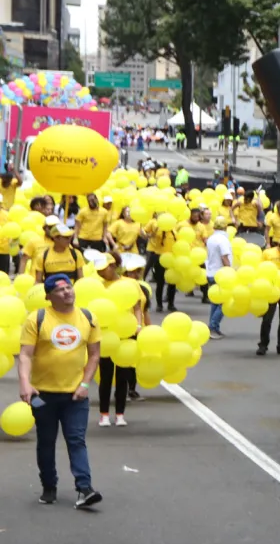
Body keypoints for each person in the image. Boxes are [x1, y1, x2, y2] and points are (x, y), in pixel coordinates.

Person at [19, 272, 102, 508]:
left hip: (75, 394)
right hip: (43, 394)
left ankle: (85, 488)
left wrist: (85, 384)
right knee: (46, 441)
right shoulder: (38, 319)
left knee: (76, 440)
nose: (67, 292)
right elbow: (25, 355)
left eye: (69, 288)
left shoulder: (87, 317)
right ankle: (49, 486)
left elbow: (95, 354)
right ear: (49, 296)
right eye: (60, 290)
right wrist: (25, 382)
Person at [95, 252, 148, 426]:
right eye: (99, 270)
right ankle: (104, 414)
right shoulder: (98, 286)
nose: (101, 273)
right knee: (106, 376)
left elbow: (137, 307)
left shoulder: (130, 284)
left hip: (126, 333)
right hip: (107, 335)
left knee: (123, 376)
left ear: (112, 266)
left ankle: (119, 414)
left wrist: (139, 326)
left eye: (104, 269)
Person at [204, 217, 234, 338]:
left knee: (215, 302)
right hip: (221, 275)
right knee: (224, 302)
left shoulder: (211, 238)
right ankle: (213, 326)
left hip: (210, 272)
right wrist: (230, 271)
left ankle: (214, 327)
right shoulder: (223, 240)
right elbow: (224, 257)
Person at [144, 212, 179, 312]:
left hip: (172, 258)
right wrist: (154, 230)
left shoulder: (174, 231)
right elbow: (148, 235)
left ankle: (171, 303)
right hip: (159, 257)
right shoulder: (158, 230)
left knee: (172, 282)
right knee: (160, 282)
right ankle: (159, 304)